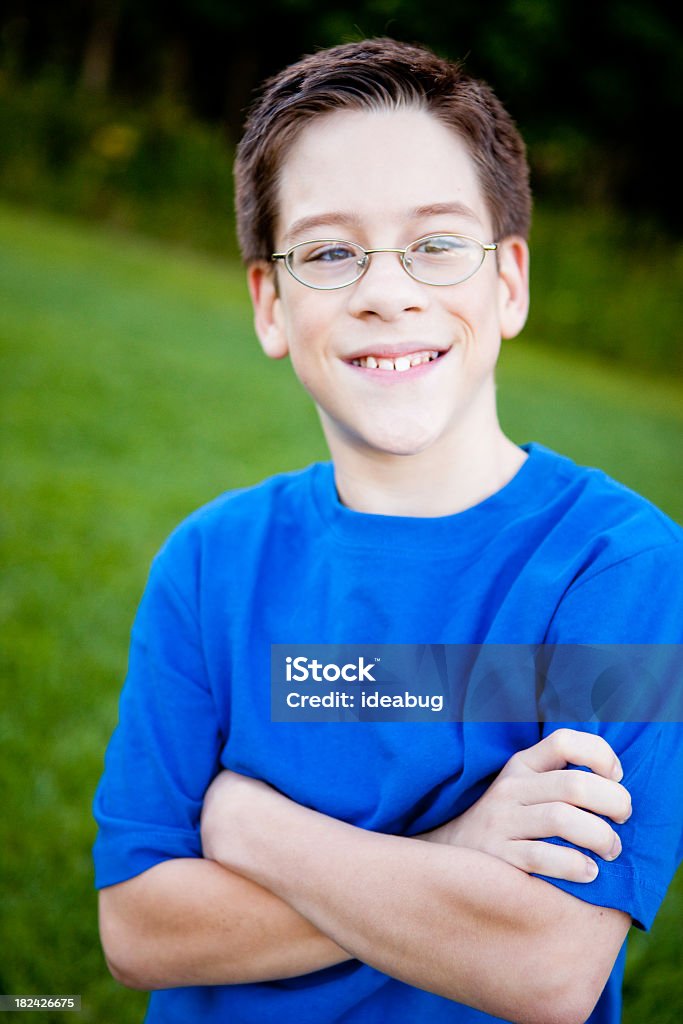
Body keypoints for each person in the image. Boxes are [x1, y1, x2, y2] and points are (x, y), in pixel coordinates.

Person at [93, 38, 683, 1024]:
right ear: (269, 302)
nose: (383, 290)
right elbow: (140, 930)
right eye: (327, 251)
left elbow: (544, 964)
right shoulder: (209, 563)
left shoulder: (620, 570)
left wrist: (252, 829)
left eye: (436, 243)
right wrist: (456, 851)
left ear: (508, 283)